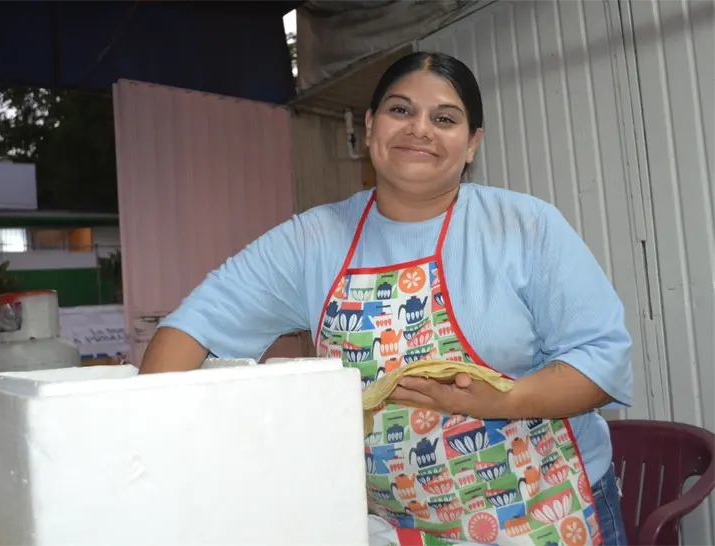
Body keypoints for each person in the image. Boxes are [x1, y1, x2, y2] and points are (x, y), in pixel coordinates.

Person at [141, 51, 632, 546]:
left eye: (444, 118)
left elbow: (601, 360)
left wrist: (504, 400)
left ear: (472, 144)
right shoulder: (314, 240)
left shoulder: (525, 227)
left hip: (548, 512)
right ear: (371, 127)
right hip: (396, 531)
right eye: (400, 111)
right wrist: (151, 451)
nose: (420, 129)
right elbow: (192, 327)